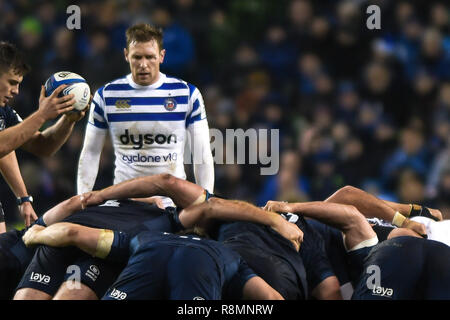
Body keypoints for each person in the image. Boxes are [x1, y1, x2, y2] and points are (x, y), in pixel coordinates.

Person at [14, 173, 301, 300]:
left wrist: (35, 232)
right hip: (93, 248)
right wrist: (275, 219)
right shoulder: (177, 225)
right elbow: (172, 185)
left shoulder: (148, 234)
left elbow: (73, 216)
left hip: (68, 237)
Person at [77, 23, 214, 207]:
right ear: (126, 55)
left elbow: (202, 154)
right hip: (122, 204)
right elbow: (91, 153)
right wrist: (82, 201)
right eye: (137, 57)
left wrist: (206, 206)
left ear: (162, 56)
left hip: (172, 204)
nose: (143, 64)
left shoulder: (187, 94)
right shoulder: (106, 96)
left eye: (150, 57)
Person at [23, 224, 284, 300]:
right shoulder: (227, 254)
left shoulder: (144, 237)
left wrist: (36, 233)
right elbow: (271, 300)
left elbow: (73, 233)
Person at [0, 41, 87, 231]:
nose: (16, 91)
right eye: (12, 83)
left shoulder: (3, 112)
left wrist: (68, 119)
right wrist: (41, 115)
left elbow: (42, 146)